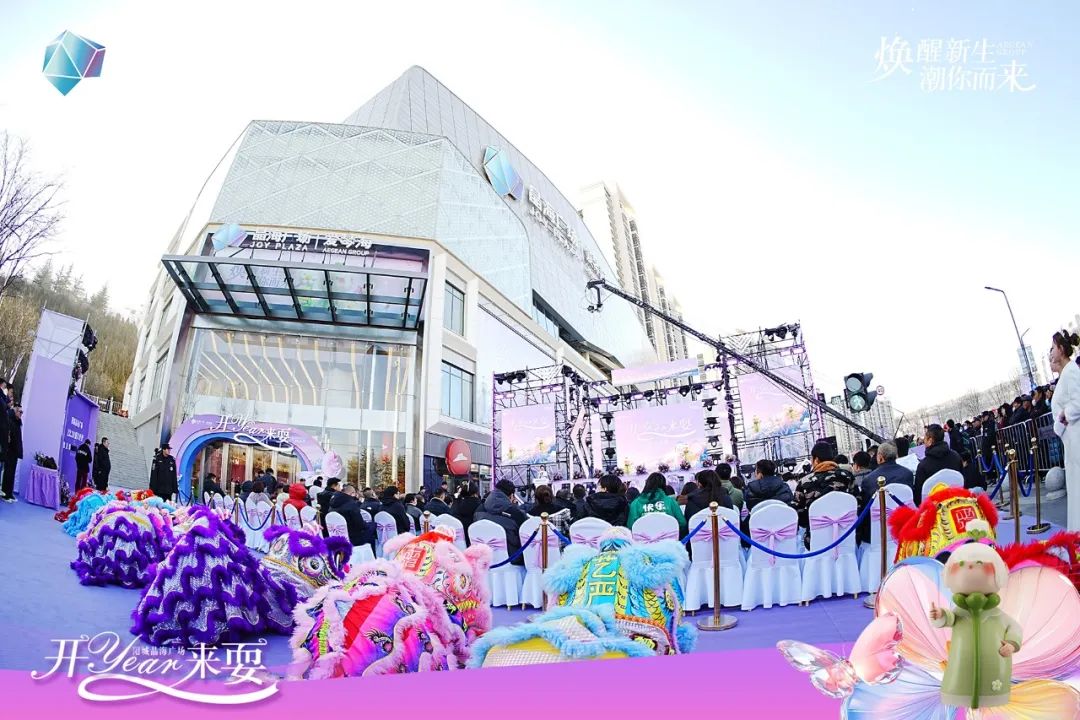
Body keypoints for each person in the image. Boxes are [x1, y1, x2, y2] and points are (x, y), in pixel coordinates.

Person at [1050, 329, 1080, 530]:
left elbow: (1078, 402)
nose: (1051, 352)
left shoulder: (1072, 371)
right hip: (1070, 438)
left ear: (1061, 349)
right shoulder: (1067, 373)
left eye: (1053, 348)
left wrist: (1063, 415)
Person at [857, 442, 913, 542]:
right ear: (896, 456)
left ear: (880, 457)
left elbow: (865, 510)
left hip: (878, 532)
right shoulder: (907, 474)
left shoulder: (869, 480)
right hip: (905, 526)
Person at [793, 442, 857, 530]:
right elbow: (858, 502)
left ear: (816, 460)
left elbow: (796, 512)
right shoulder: (848, 476)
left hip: (816, 534)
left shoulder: (804, 481)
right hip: (848, 531)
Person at [474, 480, 528, 564]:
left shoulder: (479, 510)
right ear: (511, 495)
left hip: (483, 560)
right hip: (512, 560)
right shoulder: (517, 514)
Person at [913, 424, 964, 504]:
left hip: (934, 508)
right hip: (957, 503)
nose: (924, 441)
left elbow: (919, 498)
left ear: (930, 440)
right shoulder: (956, 456)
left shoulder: (923, 466)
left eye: (925, 438)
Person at [329, 485, 376, 552]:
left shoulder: (332, 505)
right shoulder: (351, 504)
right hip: (352, 538)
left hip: (336, 537)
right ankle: (371, 555)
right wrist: (370, 525)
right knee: (373, 527)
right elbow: (360, 525)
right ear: (352, 493)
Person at [1, 403, 22, 502]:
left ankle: (9, 492)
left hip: (15, 451)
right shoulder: (10, 421)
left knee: (12, 473)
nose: (21, 414)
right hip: (9, 450)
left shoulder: (18, 422)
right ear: (15, 411)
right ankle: (5, 494)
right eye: (20, 412)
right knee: (8, 473)